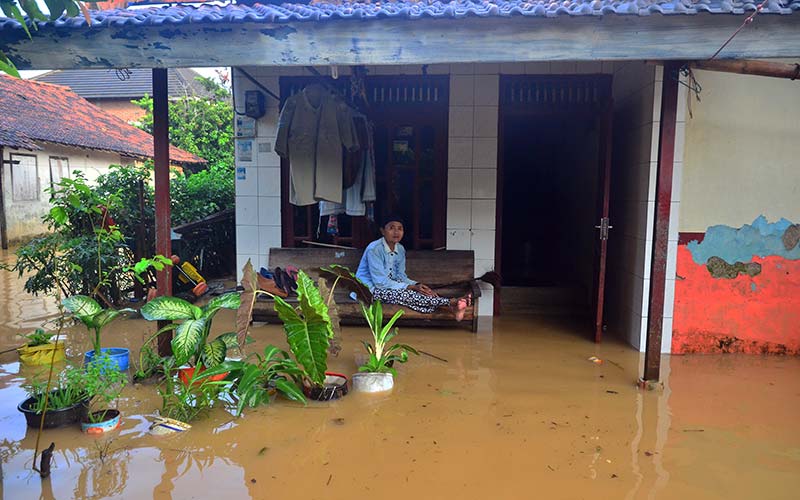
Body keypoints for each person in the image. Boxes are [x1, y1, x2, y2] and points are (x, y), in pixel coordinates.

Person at [355, 216, 471, 321]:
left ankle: (451, 308)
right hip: (368, 291)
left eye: (400, 228)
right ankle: (452, 302)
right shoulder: (374, 249)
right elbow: (380, 283)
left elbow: (400, 276)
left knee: (424, 295)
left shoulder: (400, 249)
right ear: (382, 231)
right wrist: (411, 287)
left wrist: (418, 285)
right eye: (391, 228)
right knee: (408, 296)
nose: (396, 232)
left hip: (389, 288)